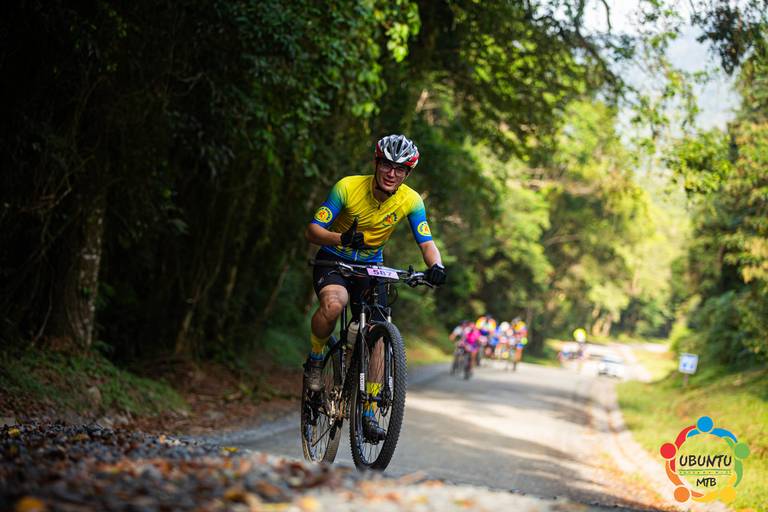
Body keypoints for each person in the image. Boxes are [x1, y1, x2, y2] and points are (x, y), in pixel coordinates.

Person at [304, 134, 446, 441]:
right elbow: (313, 230)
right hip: (334, 259)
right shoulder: (347, 187)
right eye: (387, 165)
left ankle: (368, 412)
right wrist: (341, 238)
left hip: (371, 267)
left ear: (407, 173)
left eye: (400, 169)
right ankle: (315, 359)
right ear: (376, 163)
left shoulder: (411, 200)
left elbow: (426, 242)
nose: (392, 173)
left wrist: (437, 266)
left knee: (378, 333)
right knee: (335, 303)